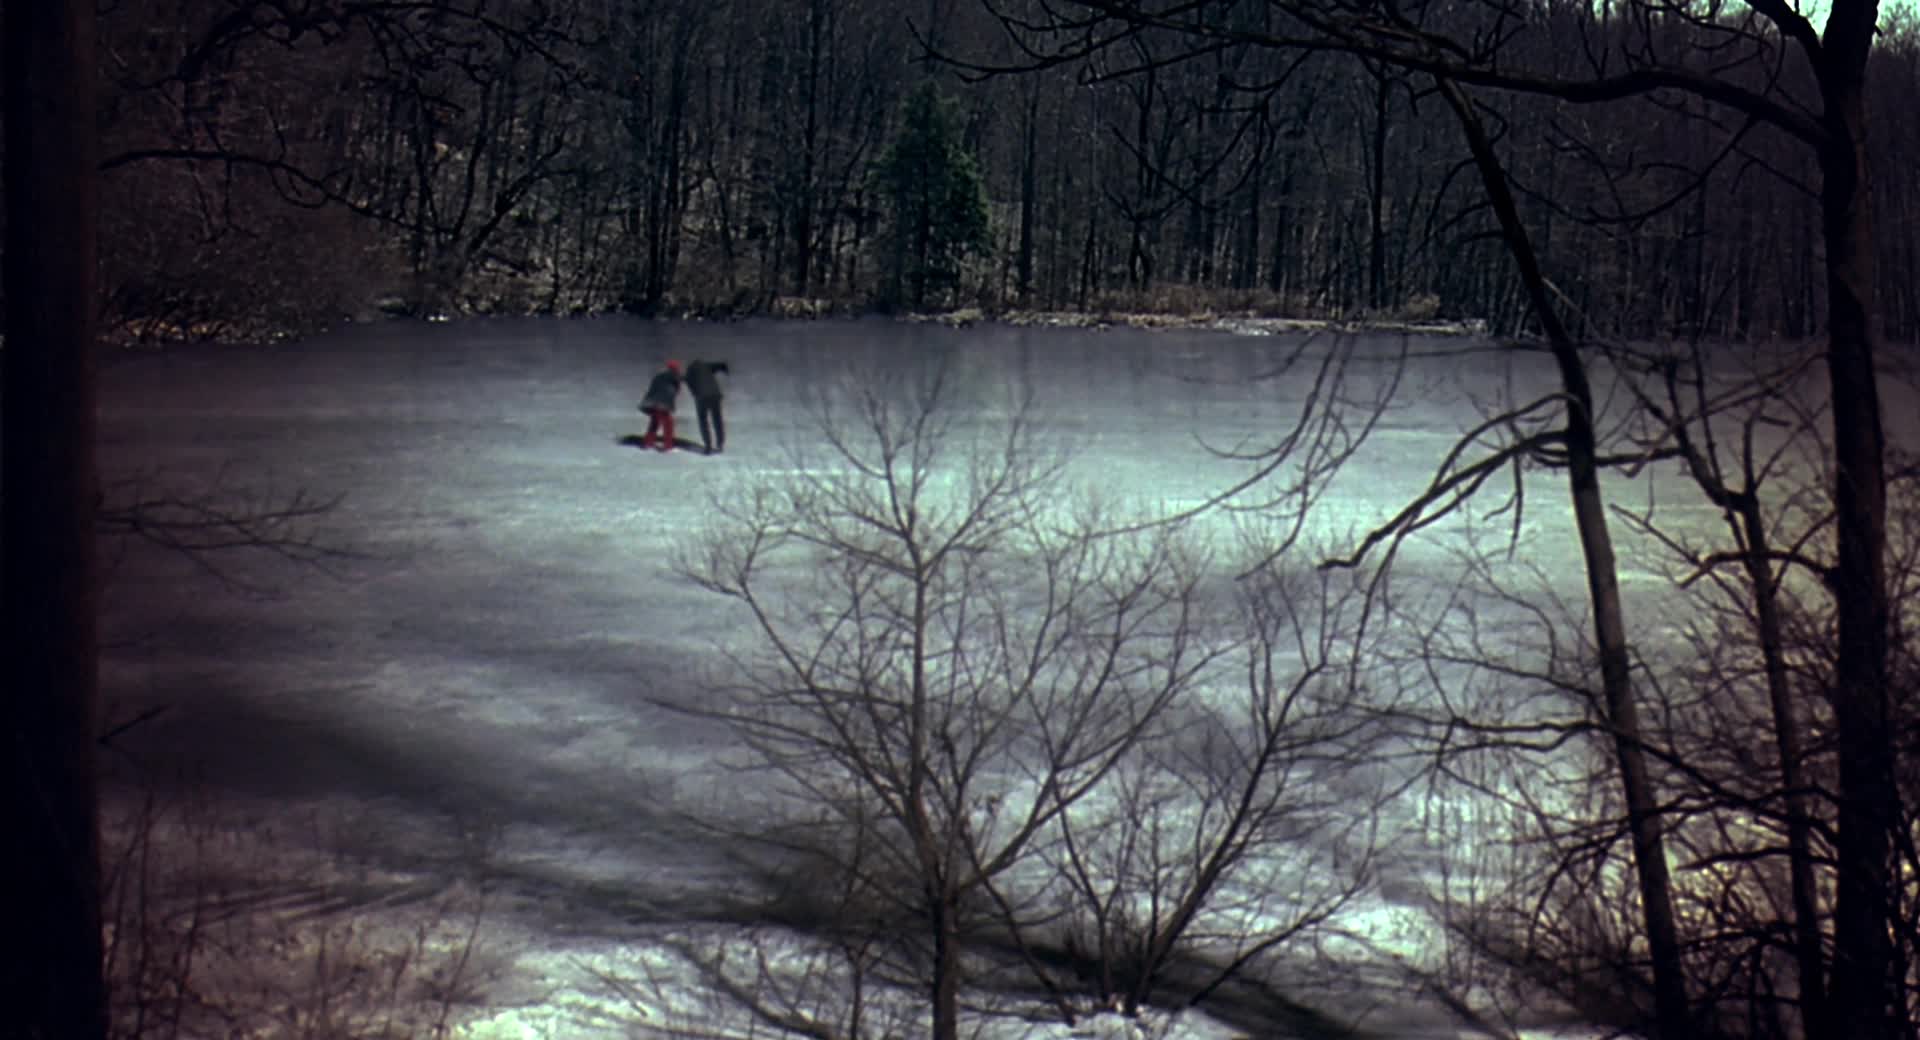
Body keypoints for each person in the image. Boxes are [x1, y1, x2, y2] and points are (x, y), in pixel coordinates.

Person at [684, 359, 730, 454]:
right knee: (717, 420)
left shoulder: (690, 370)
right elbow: (721, 365)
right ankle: (720, 444)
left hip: (702, 397)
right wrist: (725, 370)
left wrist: (695, 393)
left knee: (703, 421)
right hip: (715, 395)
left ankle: (708, 445)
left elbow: (688, 381)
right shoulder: (706, 366)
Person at [639, 359, 683, 452]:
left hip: (651, 403)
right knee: (668, 424)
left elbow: (652, 389)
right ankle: (668, 446)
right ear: (675, 369)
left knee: (654, 423)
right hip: (662, 405)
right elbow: (675, 391)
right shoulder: (674, 377)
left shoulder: (659, 376)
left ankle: (647, 443)